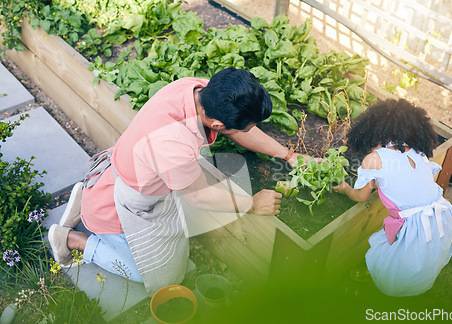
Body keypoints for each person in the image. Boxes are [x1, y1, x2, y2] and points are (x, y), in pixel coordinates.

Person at [48, 67, 308, 295]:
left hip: (118, 171)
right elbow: (199, 196)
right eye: (243, 128)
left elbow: (239, 129)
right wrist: (251, 203)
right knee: (159, 278)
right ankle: (72, 239)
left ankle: (86, 196)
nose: (245, 132)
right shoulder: (172, 142)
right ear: (216, 124)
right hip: (125, 204)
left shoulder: (197, 90)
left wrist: (288, 155)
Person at [333, 99, 452, 297]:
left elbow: (361, 196)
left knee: (398, 265)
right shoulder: (418, 151)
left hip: (416, 226)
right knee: (426, 258)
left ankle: (386, 283)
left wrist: (346, 188)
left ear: (373, 133)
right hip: (441, 218)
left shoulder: (374, 158)